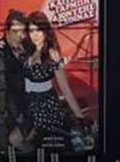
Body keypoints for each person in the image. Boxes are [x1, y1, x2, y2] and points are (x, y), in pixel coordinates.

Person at [23, 11, 89, 150]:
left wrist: (80, 117)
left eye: (39, 30)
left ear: (45, 31)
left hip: (48, 112)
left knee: (47, 151)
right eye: (31, 31)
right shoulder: (28, 52)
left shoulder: (52, 56)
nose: (35, 35)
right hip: (31, 109)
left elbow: (65, 89)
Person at [0, 10, 32, 151]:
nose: (20, 36)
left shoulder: (27, 48)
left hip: (26, 106)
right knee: (10, 143)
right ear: (7, 31)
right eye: (15, 31)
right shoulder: (0, 51)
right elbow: (5, 87)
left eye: (22, 32)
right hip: (7, 111)